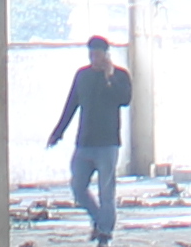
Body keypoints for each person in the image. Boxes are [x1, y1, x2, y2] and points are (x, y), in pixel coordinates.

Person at [47, 32, 132, 242]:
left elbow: (124, 100)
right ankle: (99, 220)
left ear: (106, 55)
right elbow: (71, 104)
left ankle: (105, 233)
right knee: (78, 187)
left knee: (106, 192)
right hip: (84, 142)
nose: (94, 58)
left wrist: (109, 77)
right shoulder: (82, 76)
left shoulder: (120, 76)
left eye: (98, 54)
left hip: (108, 144)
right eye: (91, 54)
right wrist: (58, 132)